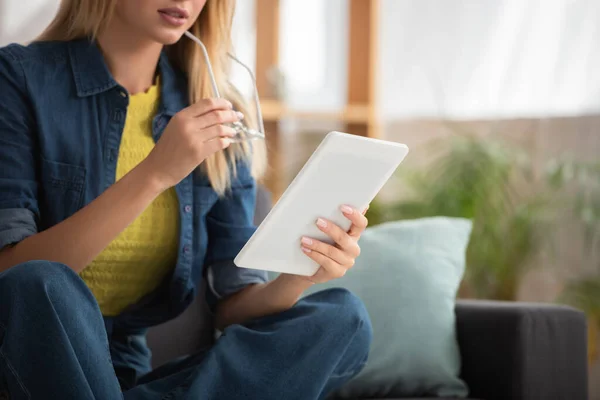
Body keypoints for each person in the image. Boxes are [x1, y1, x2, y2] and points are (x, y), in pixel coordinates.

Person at [0, 0, 372, 399]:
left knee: (342, 319)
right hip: (30, 350)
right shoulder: (18, 77)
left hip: (122, 363)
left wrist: (302, 273)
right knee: (41, 281)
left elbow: (233, 303)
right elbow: (12, 273)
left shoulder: (215, 106)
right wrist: (156, 172)